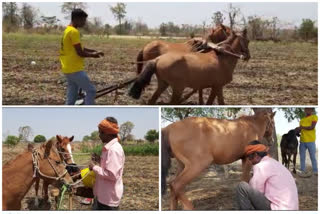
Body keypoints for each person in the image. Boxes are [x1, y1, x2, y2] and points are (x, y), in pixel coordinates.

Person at [235, 140, 299, 210]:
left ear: (256, 155)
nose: (249, 160)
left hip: (277, 208)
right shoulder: (276, 164)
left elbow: (256, 190)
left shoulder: (261, 166)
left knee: (242, 187)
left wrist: (251, 179)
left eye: (249, 157)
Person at [59, 9, 104, 105]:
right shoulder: (74, 32)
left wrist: (94, 51)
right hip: (75, 69)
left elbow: (80, 48)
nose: (84, 23)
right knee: (91, 91)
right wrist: (93, 55)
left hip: (67, 68)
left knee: (72, 97)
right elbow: (80, 52)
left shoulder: (67, 30)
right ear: (76, 19)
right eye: (83, 20)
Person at [89, 117, 125, 210]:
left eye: (100, 132)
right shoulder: (109, 148)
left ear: (107, 133)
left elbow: (111, 175)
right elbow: (108, 167)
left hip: (108, 201)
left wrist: (94, 167)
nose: (99, 135)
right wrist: (99, 159)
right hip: (103, 196)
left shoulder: (113, 150)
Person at [295, 108, 318, 176]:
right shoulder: (302, 120)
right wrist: (296, 130)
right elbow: (300, 130)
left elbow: (312, 127)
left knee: (312, 156)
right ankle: (302, 170)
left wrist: (302, 127)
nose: (308, 110)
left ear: (312, 110)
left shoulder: (314, 117)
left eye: (309, 109)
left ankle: (315, 171)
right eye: (306, 109)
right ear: (304, 110)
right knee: (302, 156)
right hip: (302, 141)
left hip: (311, 140)